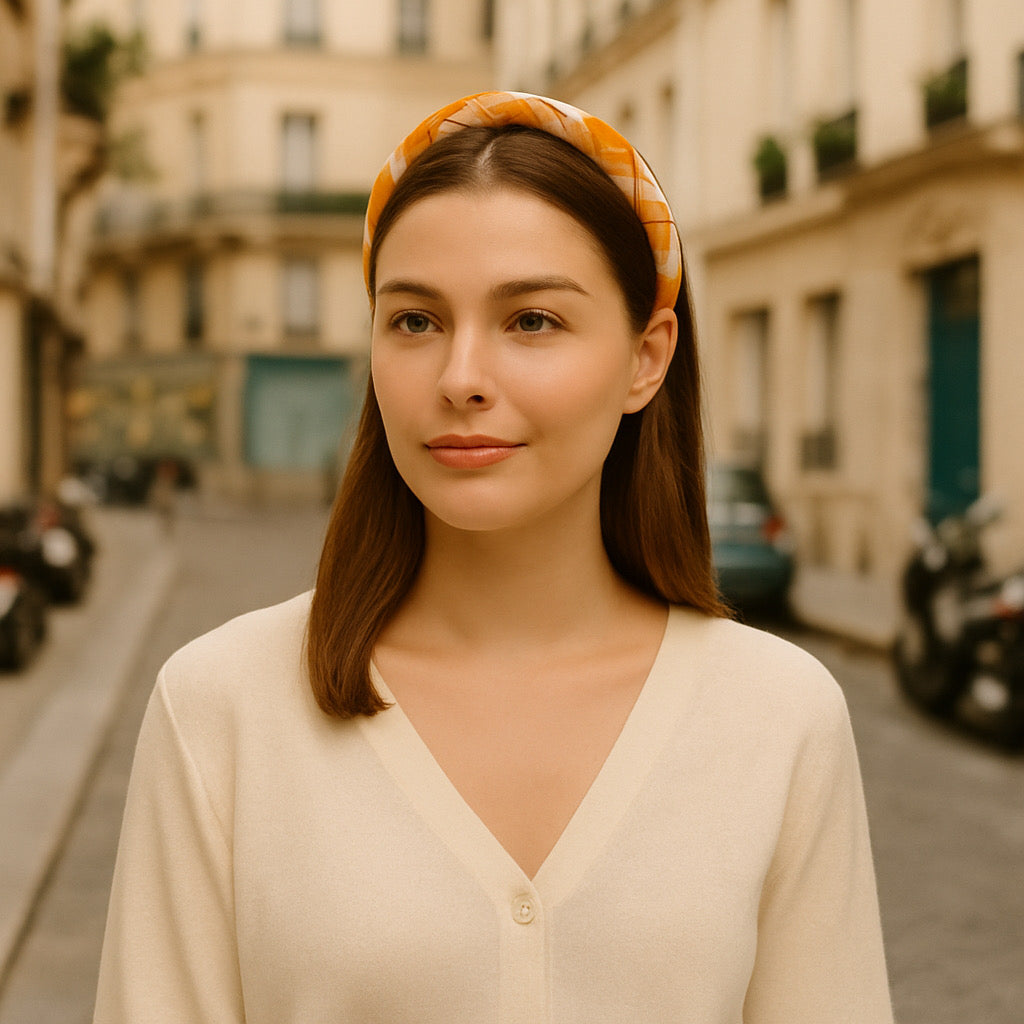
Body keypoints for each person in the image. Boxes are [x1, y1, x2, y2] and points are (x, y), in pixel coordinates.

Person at [94, 93, 894, 1023]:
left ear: (647, 356)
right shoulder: (220, 709)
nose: (461, 376)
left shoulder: (780, 718)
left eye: (532, 322)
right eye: (416, 322)